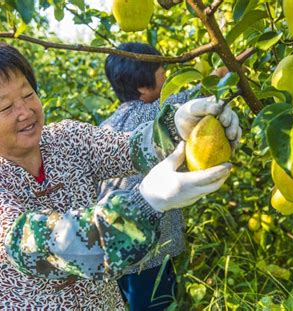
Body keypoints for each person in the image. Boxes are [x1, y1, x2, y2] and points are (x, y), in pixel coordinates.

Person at [0, 41, 242, 310]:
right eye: (7, 107)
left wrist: (178, 125)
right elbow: (37, 248)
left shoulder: (67, 139)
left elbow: (130, 149)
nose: (26, 111)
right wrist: (144, 203)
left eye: (28, 94)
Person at [101, 42, 241, 310]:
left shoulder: (106, 127)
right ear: (143, 87)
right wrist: (228, 69)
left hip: (112, 250)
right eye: (161, 69)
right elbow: (206, 96)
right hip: (150, 253)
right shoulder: (158, 113)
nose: (167, 74)